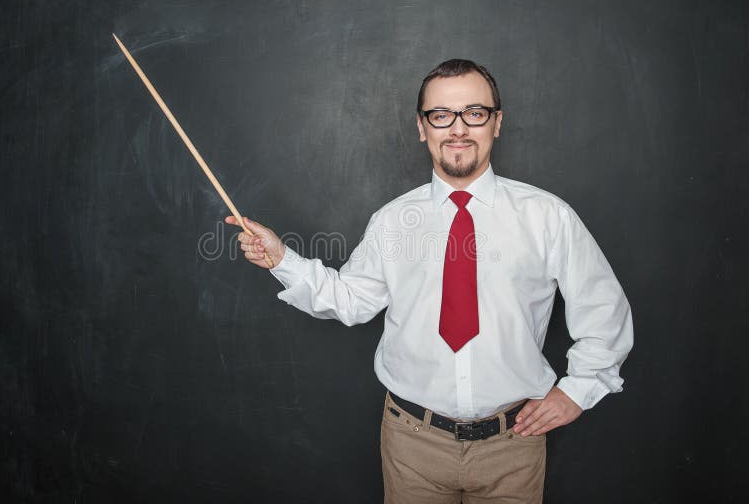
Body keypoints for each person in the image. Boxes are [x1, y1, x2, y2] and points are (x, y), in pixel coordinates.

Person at [225, 59, 634, 503]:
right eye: (441, 115)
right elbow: (349, 300)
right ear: (423, 128)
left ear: (497, 123)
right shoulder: (392, 222)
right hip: (411, 443)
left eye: (474, 113)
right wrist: (281, 258)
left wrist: (577, 391)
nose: (457, 128)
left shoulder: (547, 217)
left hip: (513, 444)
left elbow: (604, 309)